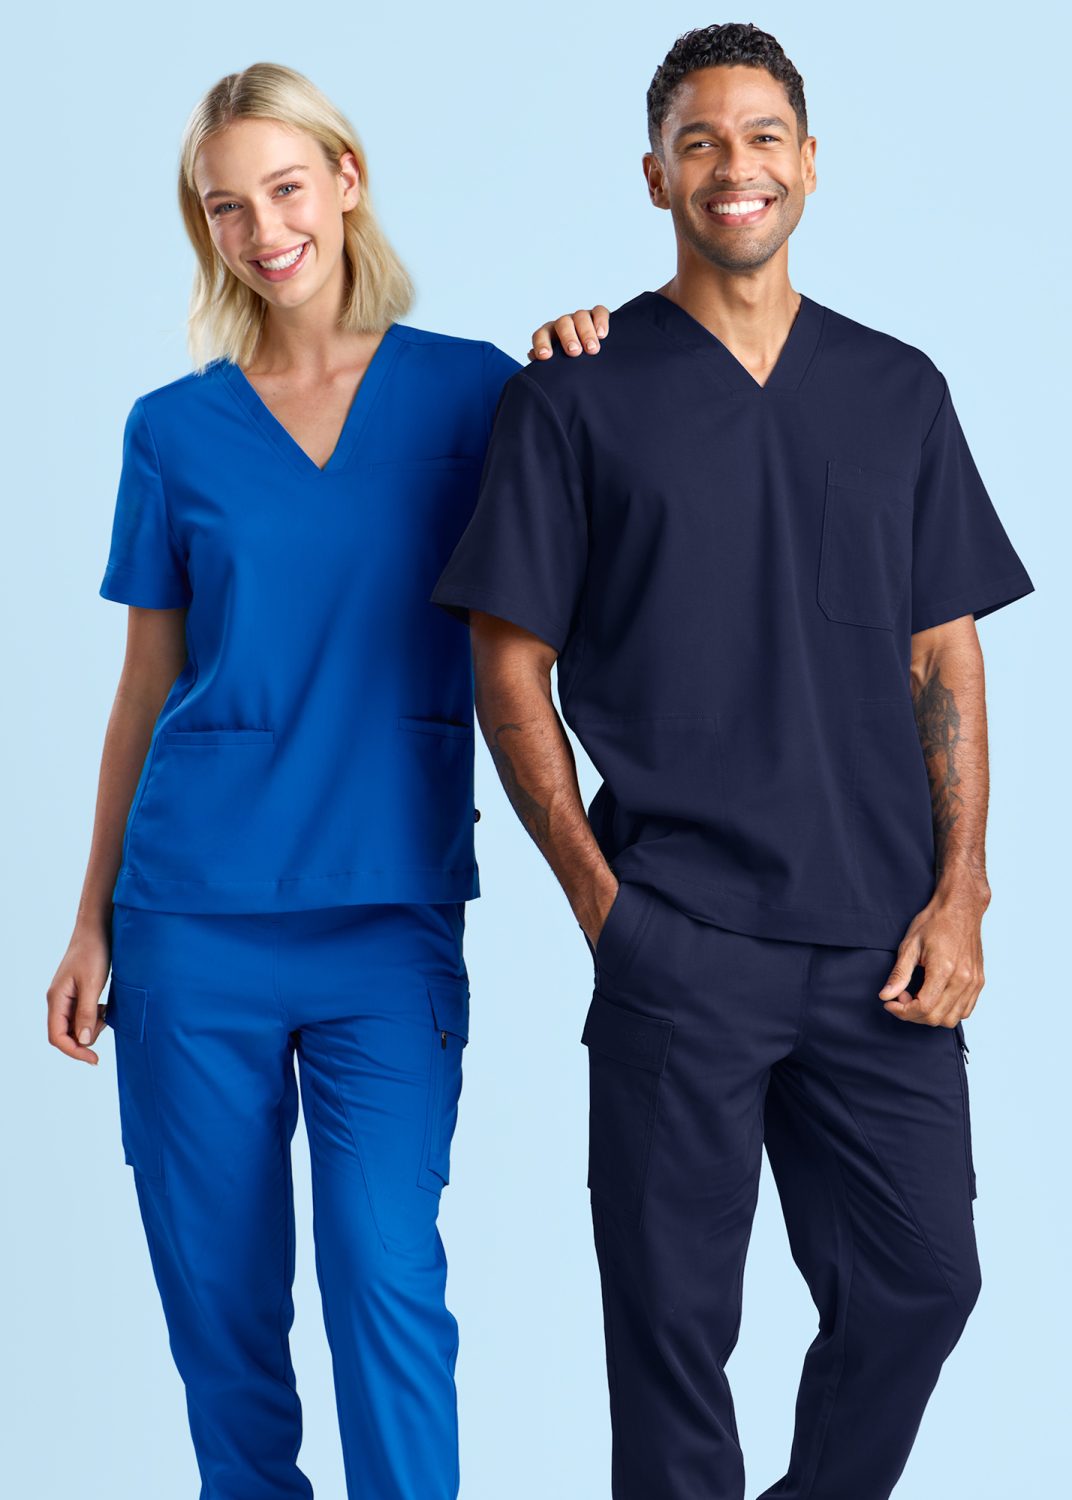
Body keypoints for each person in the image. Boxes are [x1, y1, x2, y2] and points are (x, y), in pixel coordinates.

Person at [433, 21, 1035, 1500]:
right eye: (700, 141)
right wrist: (603, 907)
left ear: (812, 165)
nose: (735, 166)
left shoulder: (898, 393)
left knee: (922, 1287)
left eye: (763, 136)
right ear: (655, 177)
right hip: (680, 942)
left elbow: (941, 655)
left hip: (879, 946)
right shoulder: (573, 393)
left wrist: (962, 893)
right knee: (673, 1347)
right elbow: (508, 660)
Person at [44, 60, 603, 1500]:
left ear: (346, 182)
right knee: (225, 1324)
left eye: (285, 188)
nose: (263, 227)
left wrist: (601, 355)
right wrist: (91, 917)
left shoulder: (477, 392)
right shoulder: (172, 432)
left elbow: (603, 511)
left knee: (384, 1289)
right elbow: (144, 689)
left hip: (386, 920)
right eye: (226, 207)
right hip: (192, 924)